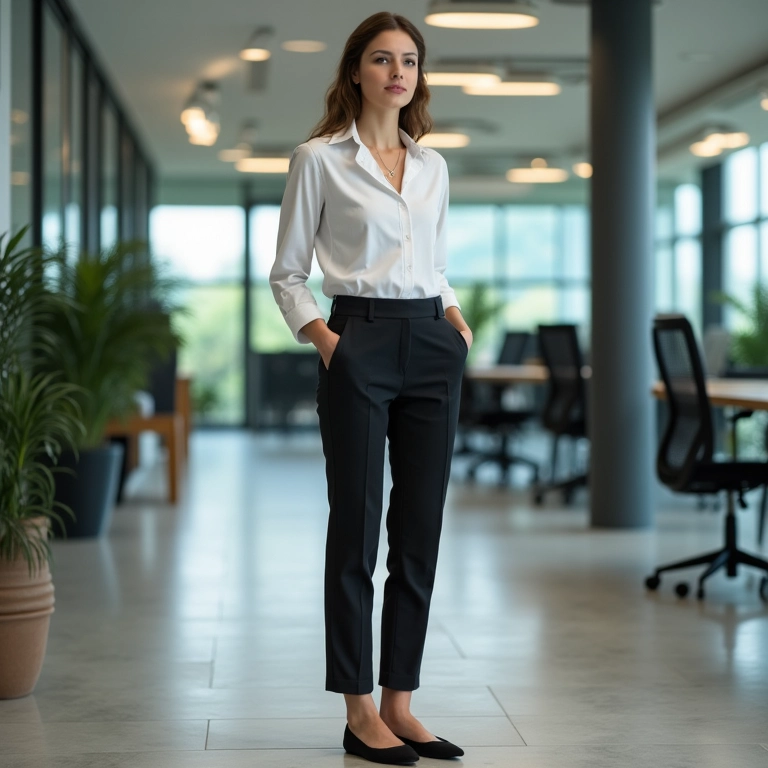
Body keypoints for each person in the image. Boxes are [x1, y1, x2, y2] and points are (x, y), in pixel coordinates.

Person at [269, 11, 470, 765]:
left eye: (409, 60)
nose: (398, 72)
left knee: (419, 530)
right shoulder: (318, 159)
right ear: (356, 70)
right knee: (355, 528)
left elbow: (435, 263)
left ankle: (400, 703)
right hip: (359, 340)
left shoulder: (433, 167)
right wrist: (328, 343)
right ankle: (358, 711)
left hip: (431, 342)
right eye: (383, 59)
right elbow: (288, 272)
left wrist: (455, 320)